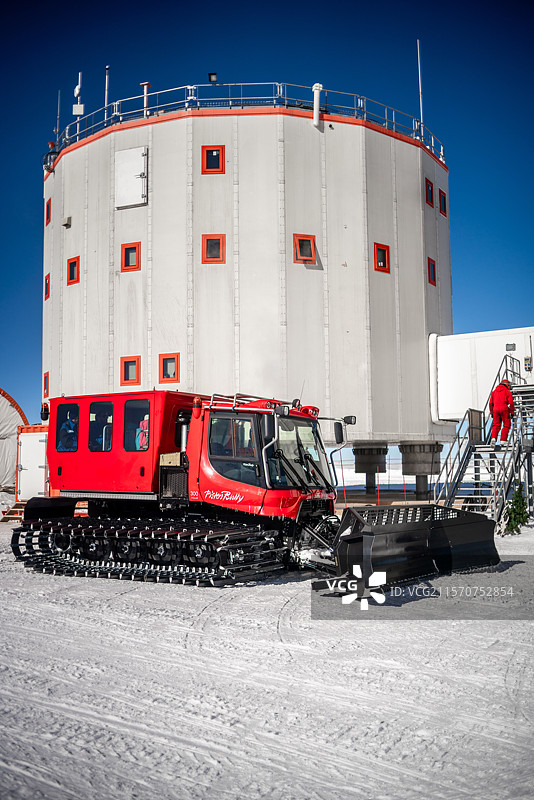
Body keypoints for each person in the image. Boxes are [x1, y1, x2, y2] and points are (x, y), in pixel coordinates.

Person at [489, 379, 514, 444]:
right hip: (504, 408)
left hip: (495, 409)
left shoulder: (494, 392)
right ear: (507, 385)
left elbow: (490, 403)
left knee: (495, 425)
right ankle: (503, 440)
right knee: (506, 424)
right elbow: (511, 403)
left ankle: (493, 438)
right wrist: (512, 412)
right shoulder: (507, 391)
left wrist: (491, 412)